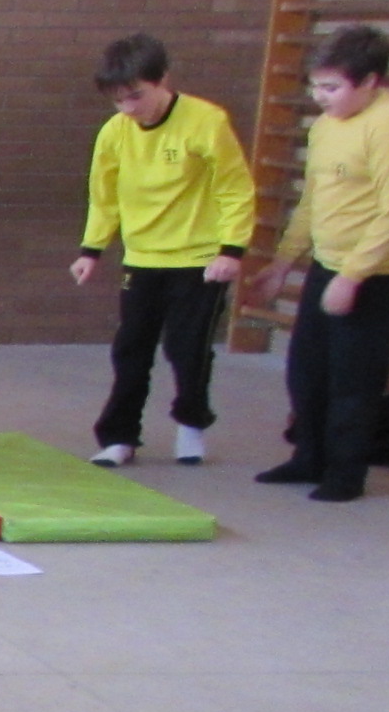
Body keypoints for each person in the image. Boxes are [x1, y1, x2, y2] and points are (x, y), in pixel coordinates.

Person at [251, 23, 389, 503]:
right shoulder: (326, 125)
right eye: (316, 85)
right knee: (306, 365)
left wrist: (353, 276)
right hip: (332, 259)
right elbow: (314, 199)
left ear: (370, 82)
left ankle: (345, 472)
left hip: (385, 268)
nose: (320, 97)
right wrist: (285, 261)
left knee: (353, 372)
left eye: (331, 88)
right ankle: (309, 456)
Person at [73, 34, 255, 467]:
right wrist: (91, 250)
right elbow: (104, 197)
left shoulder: (206, 121)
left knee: (187, 349)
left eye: (136, 96)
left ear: (163, 80)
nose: (129, 108)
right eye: (118, 100)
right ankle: (120, 437)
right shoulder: (115, 133)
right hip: (142, 257)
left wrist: (231, 250)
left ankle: (191, 423)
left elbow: (234, 188)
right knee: (131, 349)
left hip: (199, 259)